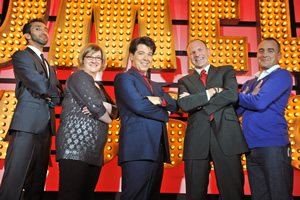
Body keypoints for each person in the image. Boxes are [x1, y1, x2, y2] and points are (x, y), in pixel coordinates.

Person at [177, 39, 249, 200]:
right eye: (192, 52)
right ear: (189, 57)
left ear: (208, 51)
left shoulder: (226, 71)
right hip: (196, 139)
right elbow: (184, 104)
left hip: (227, 136)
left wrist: (200, 103)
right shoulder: (184, 81)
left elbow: (231, 95)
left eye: (200, 50)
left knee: (232, 192)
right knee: (195, 193)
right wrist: (213, 91)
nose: (197, 54)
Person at [0, 19, 63, 200]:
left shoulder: (48, 65)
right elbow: (39, 84)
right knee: (15, 178)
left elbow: (58, 94)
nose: (44, 31)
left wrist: (54, 94)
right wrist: (53, 93)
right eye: (38, 28)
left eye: (45, 28)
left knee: (37, 181)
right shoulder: (21, 56)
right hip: (26, 124)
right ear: (27, 36)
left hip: (46, 126)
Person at [114, 36, 177, 200]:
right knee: (134, 196)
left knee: (152, 196)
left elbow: (173, 105)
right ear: (131, 56)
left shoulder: (156, 86)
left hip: (157, 149)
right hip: (137, 148)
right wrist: (163, 112)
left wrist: (159, 100)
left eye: (149, 54)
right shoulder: (124, 78)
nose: (146, 58)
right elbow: (138, 105)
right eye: (141, 53)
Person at [55, 43, 118, 200]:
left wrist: (102, 106)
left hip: (94, 149)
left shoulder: (99, 88)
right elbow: (99, 109)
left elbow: (118, 111)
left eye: (98, 57)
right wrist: (106, 116)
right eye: (90, 56)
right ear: (83, 59)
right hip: (75, 146)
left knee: (86, 196)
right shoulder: (79, 77)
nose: (94, 60)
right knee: (70, 195)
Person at [237, 38, 294, 200]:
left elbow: (259, 102)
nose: (264, 54)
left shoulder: (282, 75)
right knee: (259, 197)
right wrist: (247, 97)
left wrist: (238, 95)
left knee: (279, 195)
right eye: (261, 50)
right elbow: (238, 110)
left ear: (279, 55)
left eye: (270, 50)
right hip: (250, 148)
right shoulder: (250, 82)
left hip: (273, 147)